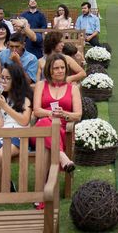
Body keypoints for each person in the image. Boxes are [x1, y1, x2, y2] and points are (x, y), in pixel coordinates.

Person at [33, 53, 81, 210]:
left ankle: (42, 192)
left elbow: (78, 115)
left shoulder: (73, 88)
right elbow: (37, 110)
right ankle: (63, 157)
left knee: (48, 151)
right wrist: (50, 114)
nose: (60, 71)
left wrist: (64, 114)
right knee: (46, 124)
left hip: (63, 129)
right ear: (49, 70)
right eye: (56, 68)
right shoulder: (41, 85)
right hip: (42, 128)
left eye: (62, 68)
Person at [0, 62, 33, 192]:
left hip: (20, 134)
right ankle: (6, 182)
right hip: (3, 133)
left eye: (7, 78)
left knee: (1, 155)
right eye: (1, 78)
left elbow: (24, 121)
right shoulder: (1, 98)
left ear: (16, 80)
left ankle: (0, 188)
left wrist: (5, 107)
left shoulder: (25, 98)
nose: (3, 81)